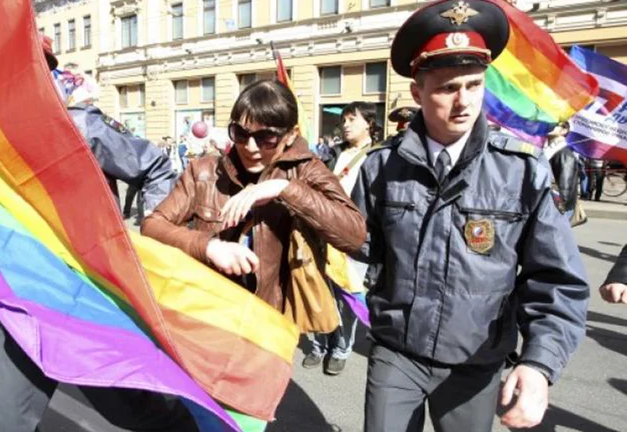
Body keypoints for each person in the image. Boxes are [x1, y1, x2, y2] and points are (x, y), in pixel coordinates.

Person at [0, 34, 187, 431]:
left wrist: (146, 245)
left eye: (27, 65)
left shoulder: (78, 125)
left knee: (147, 416)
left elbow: (155, 168)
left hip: (90, 304)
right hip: (25, 306)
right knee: (5, 424)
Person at [351, 1, 590, 431]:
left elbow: (556, 280)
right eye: (446, 88)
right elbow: (358, 245)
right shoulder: (380, 167)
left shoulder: (521, 170)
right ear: (417, 92)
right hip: (396, 352)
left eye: (473, 85)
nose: (463, 101)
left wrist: (539, 363)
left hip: (475, 359)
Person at [141, 79, 365, 316]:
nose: (250, 147)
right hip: (205, 314)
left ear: (291, 135)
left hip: (269, 323)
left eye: (266, 137)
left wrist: (285, 188)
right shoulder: (204, 171)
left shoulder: (306, 169)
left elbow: (355, 234)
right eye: (240, 133)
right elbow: (152, 225)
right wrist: (208, 246)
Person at [302, 101, 376, 375]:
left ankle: (341, 348)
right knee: (320, 291)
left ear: (368, 122)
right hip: (323, 232)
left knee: (348, 295)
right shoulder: (332, 154)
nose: (345, 125)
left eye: (352, 119)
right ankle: (320, 344)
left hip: (355, 238)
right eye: (343, 120)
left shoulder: (378, 156)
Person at [544, 122, 579, 219]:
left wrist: (558, 210)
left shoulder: (564, 153)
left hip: (556, 208)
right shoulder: (549, 150)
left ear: (564, 131)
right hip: (548, 205)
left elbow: (565, 188)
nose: (548, 125)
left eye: (554, 124)